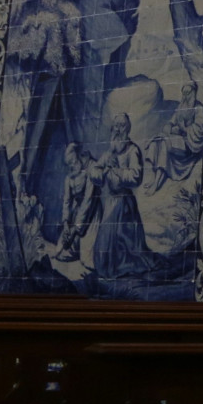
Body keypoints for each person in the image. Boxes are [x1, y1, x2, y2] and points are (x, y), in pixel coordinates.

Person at [90, 112, 153, 280]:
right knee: (102, 248)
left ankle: (120, 274)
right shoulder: (109, 153)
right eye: (115, 126)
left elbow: (135, 177)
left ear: (127, 129)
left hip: (124, 204)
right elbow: (94, 172)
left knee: (123, 247)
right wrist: (103, 171)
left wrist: (116, 169)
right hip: (109, 203)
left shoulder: (132, 151)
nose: (117, 130)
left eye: (121, 126)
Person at [55, 143, 97, 262]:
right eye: (69, 164)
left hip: (91, 211)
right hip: (76, 211)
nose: (72, 165)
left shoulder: (90, 169)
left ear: (78, 156)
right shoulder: (69, 178)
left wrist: (75, 229)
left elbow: (88, 200)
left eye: (74, 161)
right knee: (61, 253)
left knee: (88, 259)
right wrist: (66, 224)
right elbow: (67, 201)